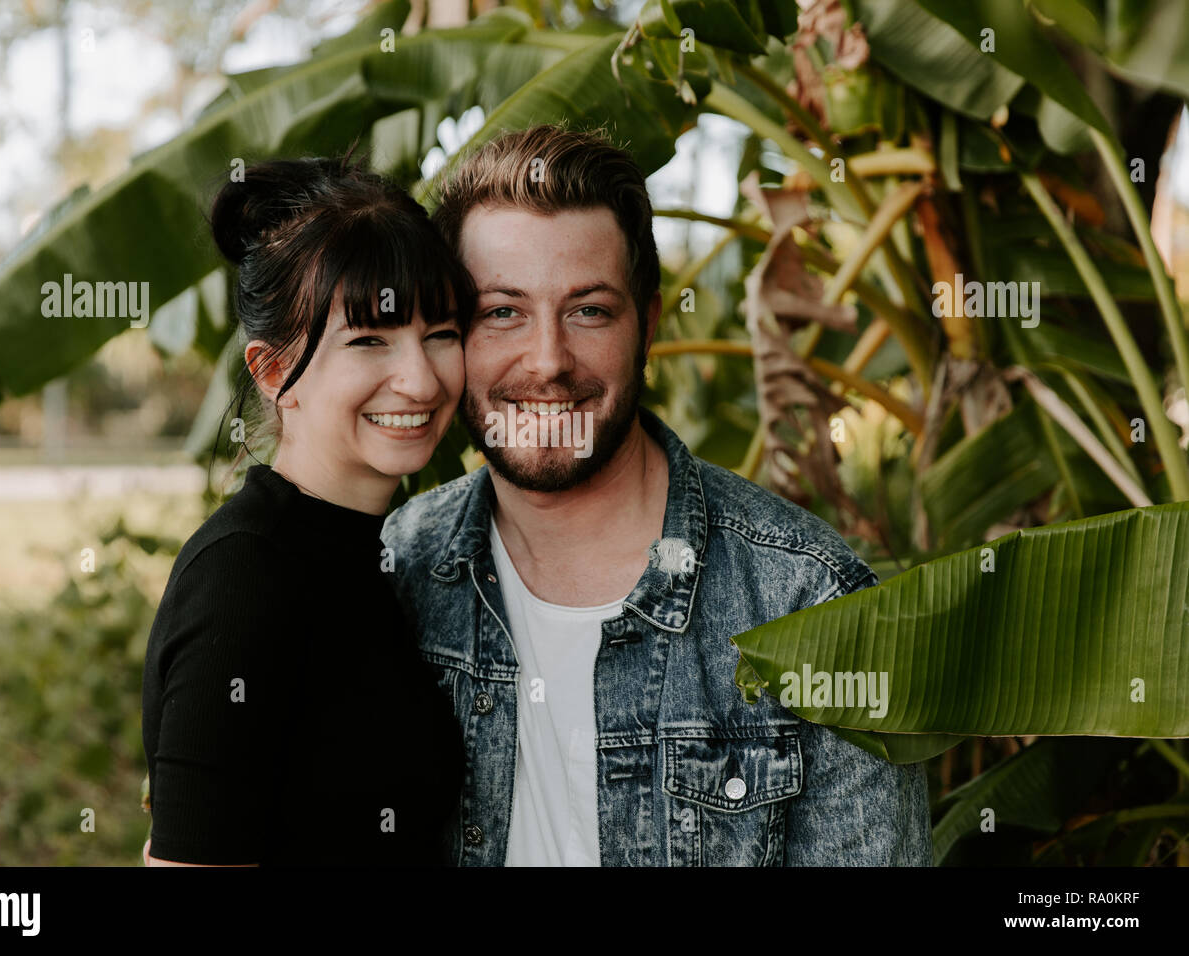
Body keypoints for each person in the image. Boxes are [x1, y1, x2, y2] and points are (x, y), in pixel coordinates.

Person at [381, 125, 933, 866]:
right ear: (449, 334)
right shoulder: (393, 571)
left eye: (589, 311)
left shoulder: (812, 606)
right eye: (502, 312)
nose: (547, 361)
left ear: (649, 323)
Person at [141, 155, 471, 866]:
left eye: (440, 332)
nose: (419, 378)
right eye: (369, 340)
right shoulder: (243, 581)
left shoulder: (378, 554)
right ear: (272, 372)